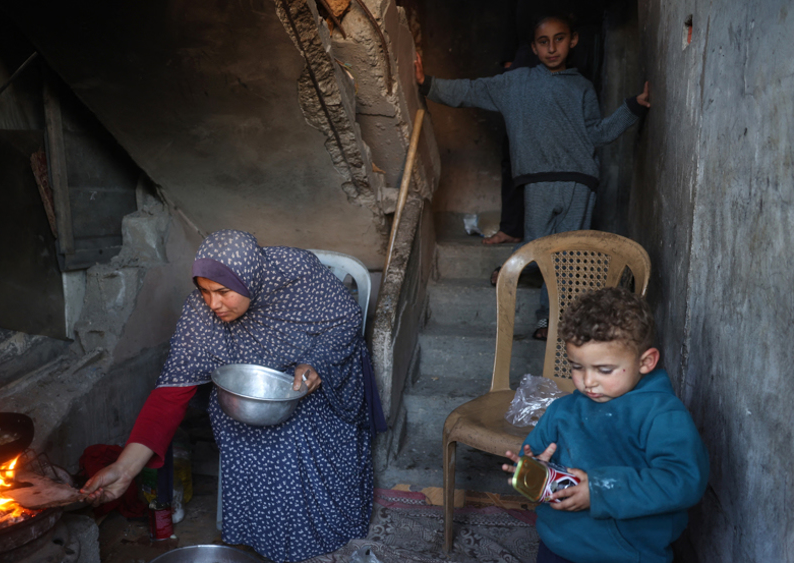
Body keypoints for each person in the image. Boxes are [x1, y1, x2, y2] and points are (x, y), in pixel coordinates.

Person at [80, 229, 385, 562]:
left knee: (291, 429)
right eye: (205, 291)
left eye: (223, 291)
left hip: (324, 372)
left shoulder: (297, 275)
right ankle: (262, 529)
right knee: (227, 416)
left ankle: (313, 531)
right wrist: (125, 468)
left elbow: (345, 321)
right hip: (255, 387)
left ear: (249, 278)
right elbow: (171, 392)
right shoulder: (200, 315)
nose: (214, 304)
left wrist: (317, 363)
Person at [415, 12, 651, 340]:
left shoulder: (582, 86)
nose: (552, 48)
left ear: (573, 41)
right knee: (540, 248)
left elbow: (597, 133)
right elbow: (470, 90)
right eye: (544, 42)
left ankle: (549, 321)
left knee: (569, 256)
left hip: (580, 181)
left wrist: (632, 107)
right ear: (534, 48)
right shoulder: (514, 83)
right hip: (538, 182)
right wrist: (428, 83)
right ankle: (514, 268)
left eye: (559, 39)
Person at [503, 287, 709, 563]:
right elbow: (535, 453)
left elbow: (683, 481)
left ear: (646, 362)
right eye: (577, 367)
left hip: (625, 554)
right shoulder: (563, 410)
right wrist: (532, 468)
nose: (588, 381)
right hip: (556, 545)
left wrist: (601, 490)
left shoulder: (661, 415)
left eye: (604, 370)